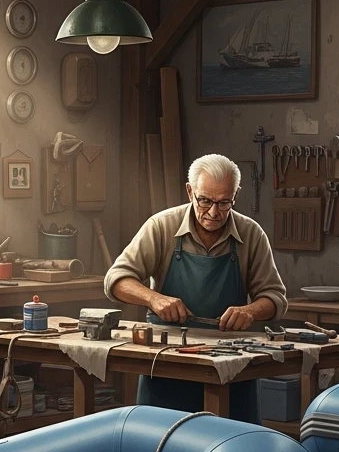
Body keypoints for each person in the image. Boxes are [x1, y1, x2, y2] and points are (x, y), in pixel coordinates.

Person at [104, 153, 288, 421]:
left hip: (230, 362)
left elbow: (276, 298)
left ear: (235, 194)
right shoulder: (162, 226)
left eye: (224, 202)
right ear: (190, 191)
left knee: (233, 447)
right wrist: (154, 299)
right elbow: (116, 279)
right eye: (205, 201)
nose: (214, 212)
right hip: (168, 361)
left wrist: (250, 311)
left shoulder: (251, 234)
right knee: (159, 446)